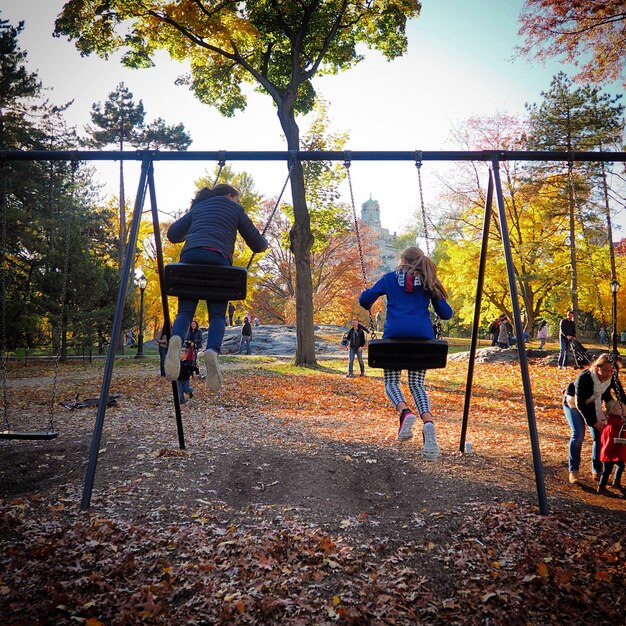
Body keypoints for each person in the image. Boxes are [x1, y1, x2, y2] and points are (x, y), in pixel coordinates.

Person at [163, 184, 268, 391]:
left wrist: (192, 233)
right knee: (218, 315)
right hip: (218, 261)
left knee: (185, 310)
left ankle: (176, 339)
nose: (238, 203)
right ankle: (212, 351)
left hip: (191, 258)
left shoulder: (199, 207)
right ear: (230, 196)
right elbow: (257, 244)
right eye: (237, 199)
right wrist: (263, 244)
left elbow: (173, 235)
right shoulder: (235, 210)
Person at [359, 245, 453, 461]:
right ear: (420, 260)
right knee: (417, 385)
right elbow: (446, 314)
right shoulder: (428, 280)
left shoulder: (389, 278)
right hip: (422, 342)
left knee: (391, 382)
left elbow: (364, 301)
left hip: (393, 340)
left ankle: (405, 412)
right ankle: (428, 423)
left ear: (402, 260)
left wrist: (373, 297)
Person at [562, 353, 625, 485]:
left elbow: (621, 396)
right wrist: (594, 422)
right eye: (606, 370)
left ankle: (597, 470)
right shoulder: (584, 377)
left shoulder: (612, 376)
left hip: (593, 404)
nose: (609, 373)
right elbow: (581, 405)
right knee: (578, 434)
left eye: (611, 371)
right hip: (573, 403)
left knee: (600, 435)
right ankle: (573, 470)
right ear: (597, 368)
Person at [597, 399, 626, 496]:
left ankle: (616, 482)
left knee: (621, 465)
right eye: (620, 407)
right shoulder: (614, 424)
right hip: (610, 453)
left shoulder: (616, 422)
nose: (623, 408)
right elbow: (614, 438)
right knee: (607, 470)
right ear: (613, 411)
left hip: (612, 452)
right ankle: (601, 487)